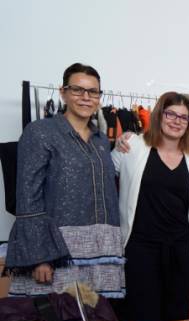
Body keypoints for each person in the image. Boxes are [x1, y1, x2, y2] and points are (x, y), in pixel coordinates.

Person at [5, 63, 125, 299]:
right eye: (77, 90)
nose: (86, 97)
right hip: (56, 250)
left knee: (96, 316)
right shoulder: (40, 132)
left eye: (93, 92)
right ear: (63, 92)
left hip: (101, 250)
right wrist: (39, 255)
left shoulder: (101, 140)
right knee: (56, 317)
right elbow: (28, 195)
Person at [111, 92, 189, 321]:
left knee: (176, 317)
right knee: (141, 316)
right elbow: (103, 174)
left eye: (183, 117)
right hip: (141, 248)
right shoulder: (133, 146)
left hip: (179, 249)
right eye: (170, 114)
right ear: (159, 115)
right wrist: (118, 141)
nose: (176, 121)